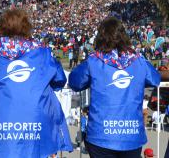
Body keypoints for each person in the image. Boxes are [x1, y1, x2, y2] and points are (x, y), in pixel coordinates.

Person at [0, 9, 73, 157]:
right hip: (36, 127)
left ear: (2, 27)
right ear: (27, 27)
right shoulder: (42, 52)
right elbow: (60, 79)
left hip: (0, 130)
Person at [69, 17, 161, 158]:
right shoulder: (138, 61)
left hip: (101, 134)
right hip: (131, 134)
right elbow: (155, 79)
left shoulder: (94, 61)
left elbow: (75, 82)